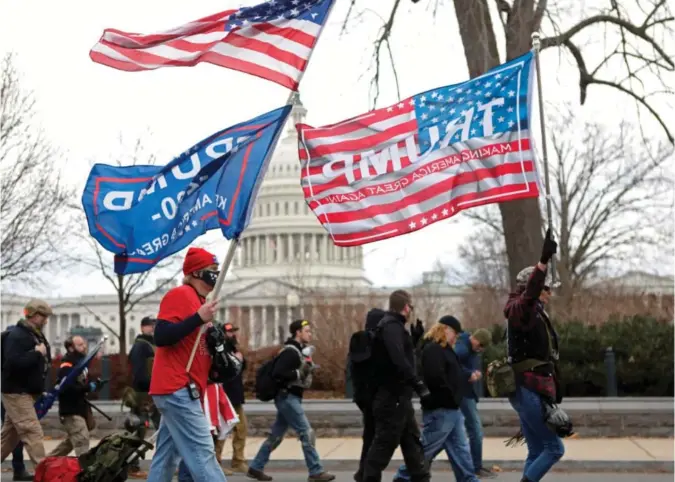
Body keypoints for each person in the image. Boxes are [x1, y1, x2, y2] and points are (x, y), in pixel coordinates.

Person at [145, 246, 225, 482]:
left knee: (166, 457)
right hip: (177, 387)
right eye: (212, 270)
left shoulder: (200, 302)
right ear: (197, 273)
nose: (216, 275)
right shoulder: (180, 295)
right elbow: (162, 335)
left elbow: (194, 348)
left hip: (184, 388)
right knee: (203, 453)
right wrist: (198, 318)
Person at [505, 229, 564, 482]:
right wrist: (543, 263)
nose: (549, 293)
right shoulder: (524, 310)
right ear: (536, 288)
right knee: (554, 449)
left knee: (536, 450)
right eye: (546, 288)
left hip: (529, 390)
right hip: (528, 389)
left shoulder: (531, 311)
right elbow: (528, 297)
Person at [247, 320, 335, 482]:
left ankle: (256, 467)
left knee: (276, 436)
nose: (310, 334)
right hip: (287, 397)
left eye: (310, 331)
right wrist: (298, 373)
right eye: (306, 331)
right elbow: (278, 373)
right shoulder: (290, 352)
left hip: (290, 397)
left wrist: (307, 369)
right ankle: (316, 471)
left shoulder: (300, 352)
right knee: (307, 433)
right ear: (298, 333)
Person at [394, 316, 478, 482]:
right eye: (455, 332)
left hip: (450, 408)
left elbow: (453, 373)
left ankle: (469, 479)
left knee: (460, 449)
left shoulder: (444, 349)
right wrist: (450, 398)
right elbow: (435, 378)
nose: (456, 337)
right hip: (441, 408)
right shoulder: (434, 349)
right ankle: (403, 476)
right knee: (428, 447)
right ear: (445, 329)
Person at [363, 290, 430, 482]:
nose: (411, 311)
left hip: (400, 398)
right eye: (411, 307)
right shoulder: (391, 327)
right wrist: (417, 384)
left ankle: (421, 478)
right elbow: (398, 360)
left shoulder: (394, 328)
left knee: (412, 445)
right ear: (406, 307)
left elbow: (401, 355)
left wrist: (414, 340)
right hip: (392, 398)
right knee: (384, 445)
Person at [1, 299, 52, 466]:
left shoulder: (33, 334)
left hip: (24, 392)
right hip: (17, 393)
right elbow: (13, 363)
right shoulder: (18, 335)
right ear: (34, 315)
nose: (46, 320)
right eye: (44, 316)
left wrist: (40, 388)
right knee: (33, 432)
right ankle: (44, 474)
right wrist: (36, 353)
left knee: (9, 438)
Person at [49, 336, 106, 456]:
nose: (84, 346)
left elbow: (80, 384)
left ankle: (47, 462)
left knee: (72, 440)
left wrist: (95, 385)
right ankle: (85, 470)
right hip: (70, 409)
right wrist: (87, 387)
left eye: (84, 344)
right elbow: (66, 388)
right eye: (80, 345)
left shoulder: (81, 362)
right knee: (81, 439)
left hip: (80, 408)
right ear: (71, 348)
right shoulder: (67, 365)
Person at [454, 328, 495, 478]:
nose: (480, 350)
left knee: (450, 432)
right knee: (476, 430)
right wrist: (469, 373)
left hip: (467, 393)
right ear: (476, 340)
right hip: (464, 394)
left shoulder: (468, 347)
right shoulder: (463, 348)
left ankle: (473, 466)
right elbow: (453, 362)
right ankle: (475, 467)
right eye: (480, 347)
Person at [351, 308, 386, 482]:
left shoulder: (359, 341)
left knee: (370, 435)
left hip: (362, 396)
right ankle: (367, 473)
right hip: (374, 396)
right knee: (376, 438)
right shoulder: (374, 343)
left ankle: (363, 471)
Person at [127, 315, 161, 474]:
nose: (152, 327)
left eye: (154, 324)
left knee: (162, 428)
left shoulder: (152, 345)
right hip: (143, 395)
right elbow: (139, 373)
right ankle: (132, 465)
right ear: (142, 327)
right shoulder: (141, 346)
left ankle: (163, 465)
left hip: (153, 393)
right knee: (138, 431)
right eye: (149, 325)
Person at [0, 325, 32, 481]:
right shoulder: (13, 352)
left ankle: (19, 468)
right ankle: (19, 468)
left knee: (10, 434)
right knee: (17, 433)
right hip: (12, 395)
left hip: (9, 395)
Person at [221, 322, 248, 474]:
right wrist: (237, 360)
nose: (233, 335)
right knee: (221, 430)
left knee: (241, 428)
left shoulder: (234, 349)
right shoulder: (221, 350)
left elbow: (241, 369)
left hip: (236, 396)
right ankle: (216, 461)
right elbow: (224, 369)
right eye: (230, 332)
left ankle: (238, 460)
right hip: (224, 395)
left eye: (234, 332)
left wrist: (240, 360)